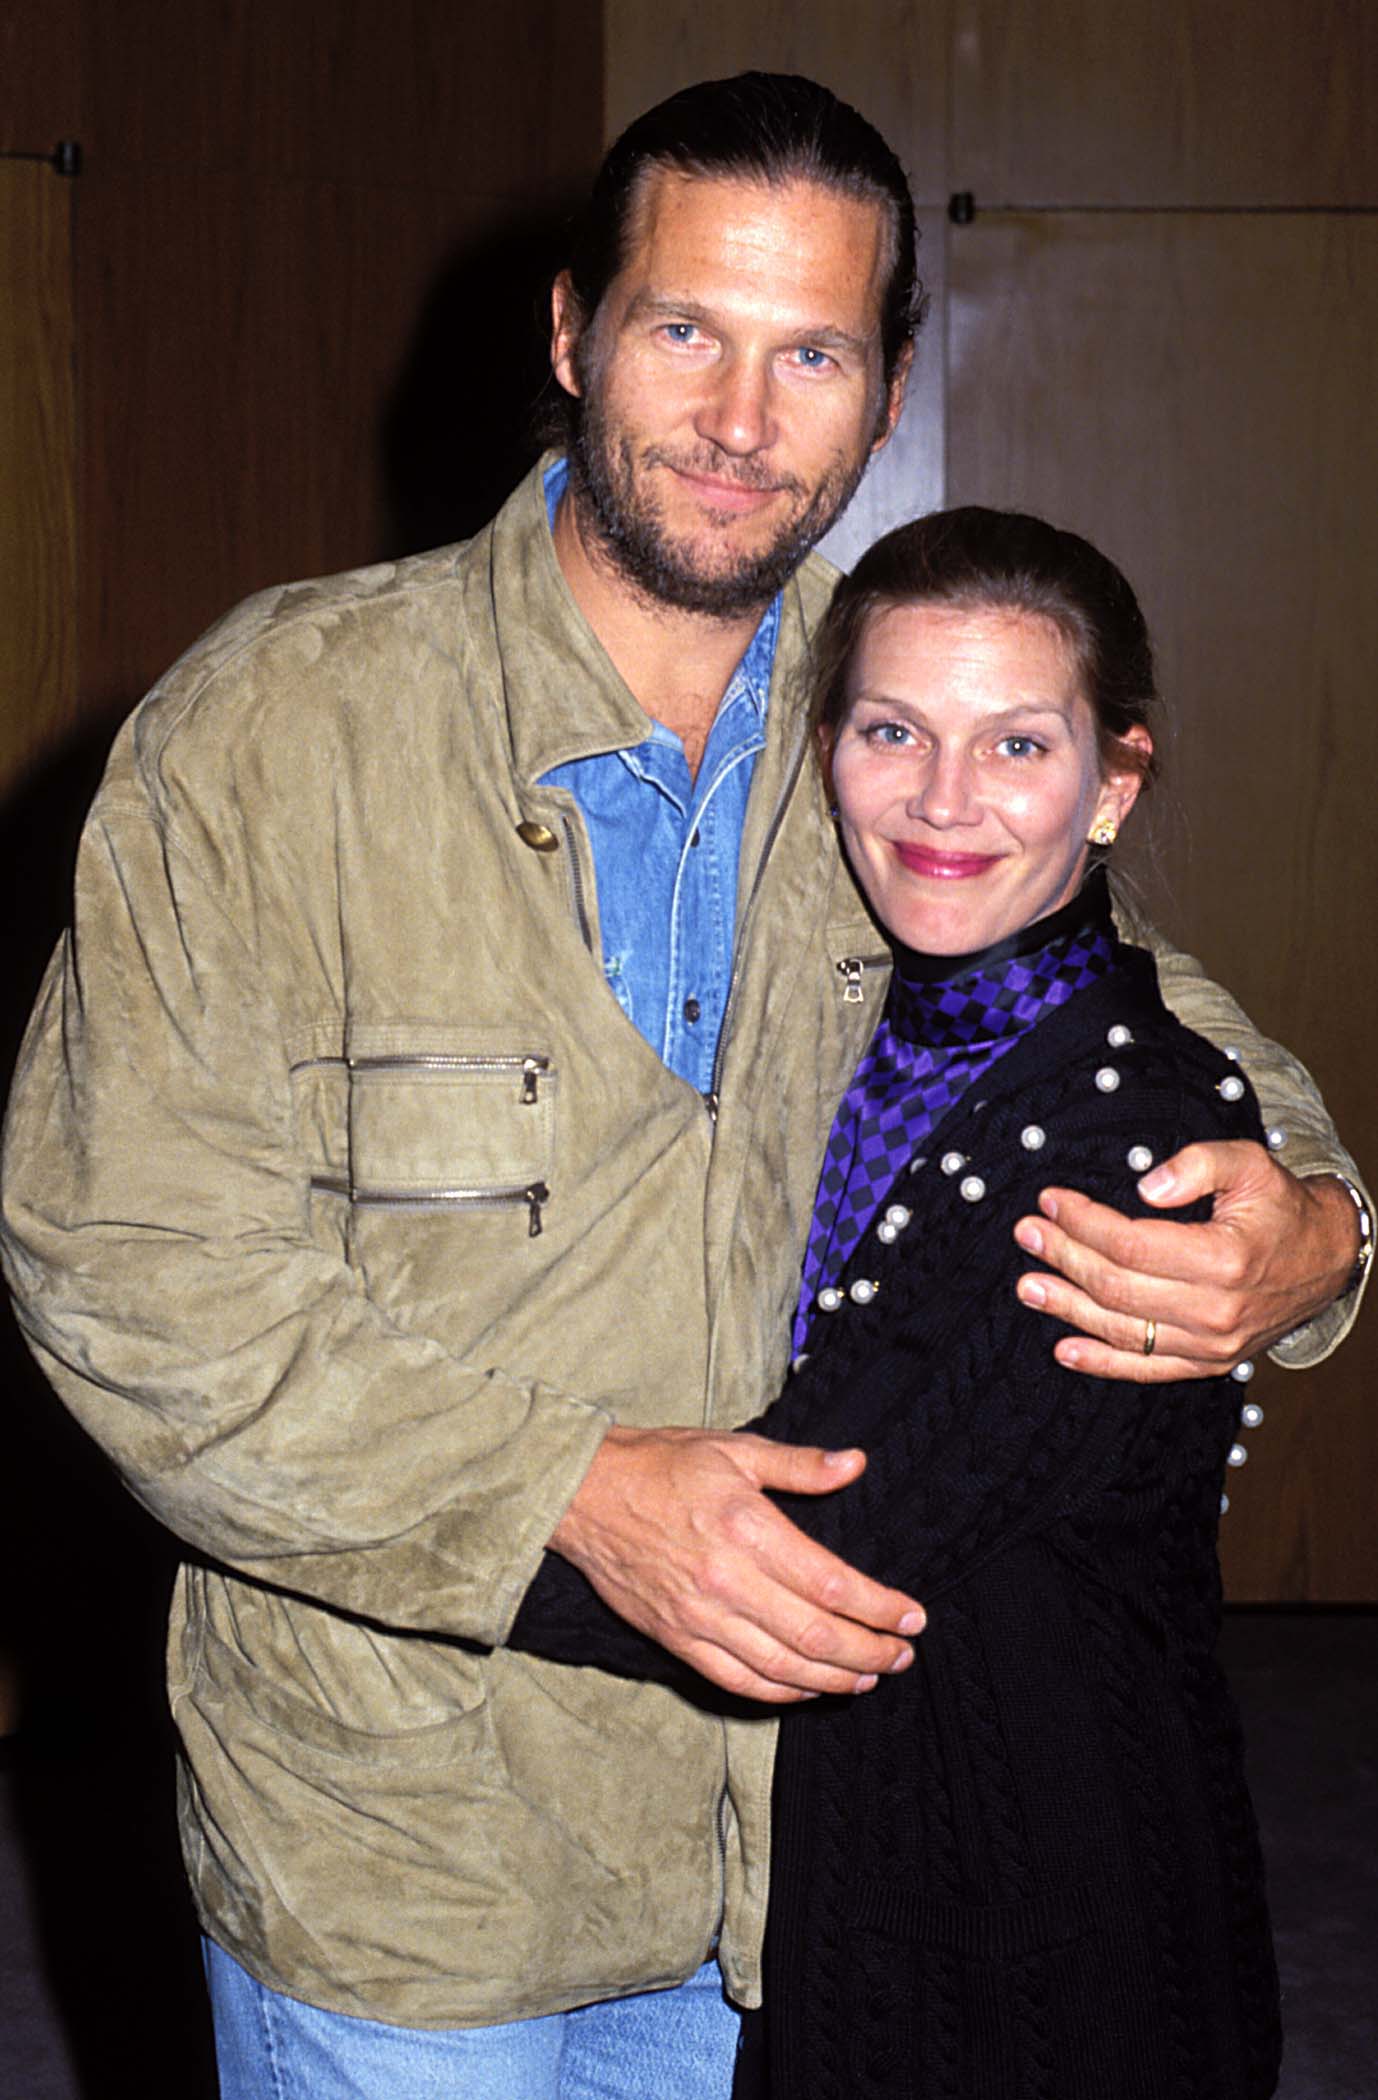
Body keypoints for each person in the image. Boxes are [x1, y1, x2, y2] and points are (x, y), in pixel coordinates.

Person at [0, 72, 1365, 2100]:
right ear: (568, 336)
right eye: (681, 331)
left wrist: (1318, 1223)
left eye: (808, 348)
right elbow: (122, 1268)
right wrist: (561, 1494)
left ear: (885, 388)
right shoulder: (273, 734)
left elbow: (1140, 1004)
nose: (738, 418)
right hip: (410, 1870)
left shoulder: (894, 711)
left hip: (813, 1861)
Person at [508, 504, 1288, 2096]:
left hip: (1041, 1895)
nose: (943, 801)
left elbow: (804, 1552)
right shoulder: (871, 1022)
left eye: (1016, 744)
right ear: (823, 749)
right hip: (867, 1829)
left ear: (1114, 782)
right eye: (891, 731)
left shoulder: (1121, 1132)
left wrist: (336, 1525)